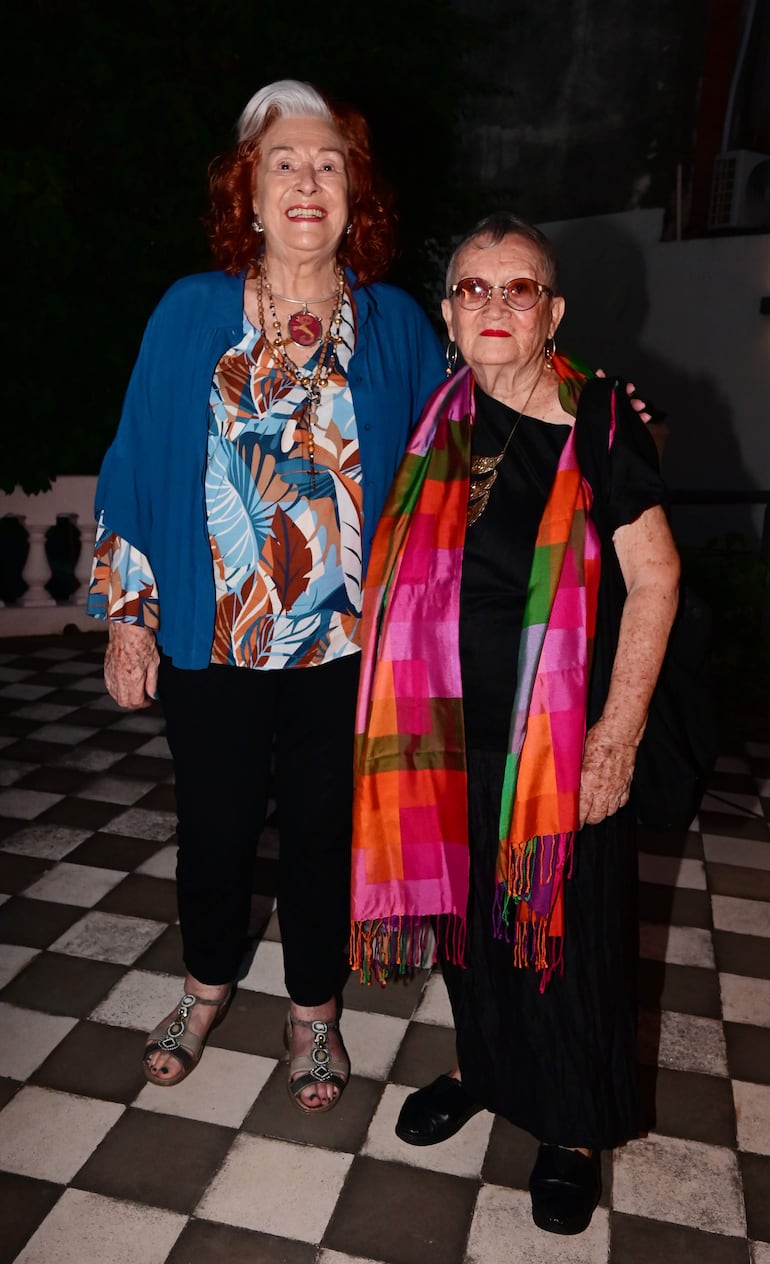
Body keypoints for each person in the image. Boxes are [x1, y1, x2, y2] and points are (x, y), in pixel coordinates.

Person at [88, 79, 444, 1112]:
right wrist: (128, 614)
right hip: (217, 637)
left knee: (328, 831)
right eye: (282, 161)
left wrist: (589, 411)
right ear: (246, 194)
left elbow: (452, 450)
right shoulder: (191, 310)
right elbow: (135, 468)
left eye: (327, 163)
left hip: (346, 643)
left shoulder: (391, 325)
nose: (305, 179)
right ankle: (204, 987)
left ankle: (313, 1011)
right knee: (215, 821)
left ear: (353, 195)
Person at [351, 212, 680, 1229]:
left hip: (556, 740)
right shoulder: (434, 417)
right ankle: (480, 1068)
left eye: (519, 288)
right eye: (473, 288)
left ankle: (571, 1126)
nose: (495, 305)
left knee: (566, 937)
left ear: (553, 311)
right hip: (444, 734)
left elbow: (656, 578)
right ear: (449, 312)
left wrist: (615, 739)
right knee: (472, 936)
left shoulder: (599, 422)